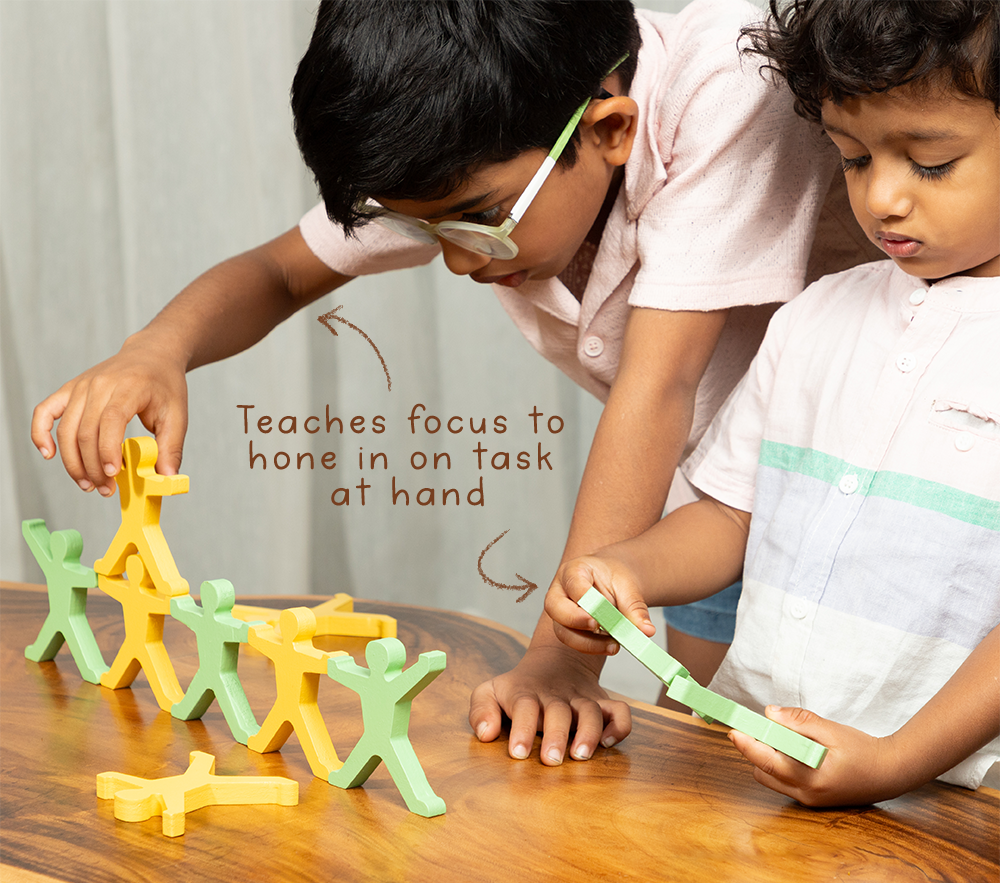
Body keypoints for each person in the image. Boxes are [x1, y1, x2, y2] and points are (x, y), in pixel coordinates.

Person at [30, 0, 874, 765]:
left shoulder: (725, 88)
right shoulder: (471, 153)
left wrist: (561, 657)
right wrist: (156, 349)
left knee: (796, 767)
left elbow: (658, 386)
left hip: (883, 469)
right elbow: (283, 272)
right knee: (710, 766)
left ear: (612, 131)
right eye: (425, 231)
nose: (463, 260)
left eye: (481, 220)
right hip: (722, 502)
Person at [544, 0, 999, 809]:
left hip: (961, 814)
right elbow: (730, 520)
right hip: (763, 781)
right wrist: (626, 568)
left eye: (930, 163)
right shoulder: (815, 316)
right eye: (855, 159)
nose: (884, 198)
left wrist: (897, 759)